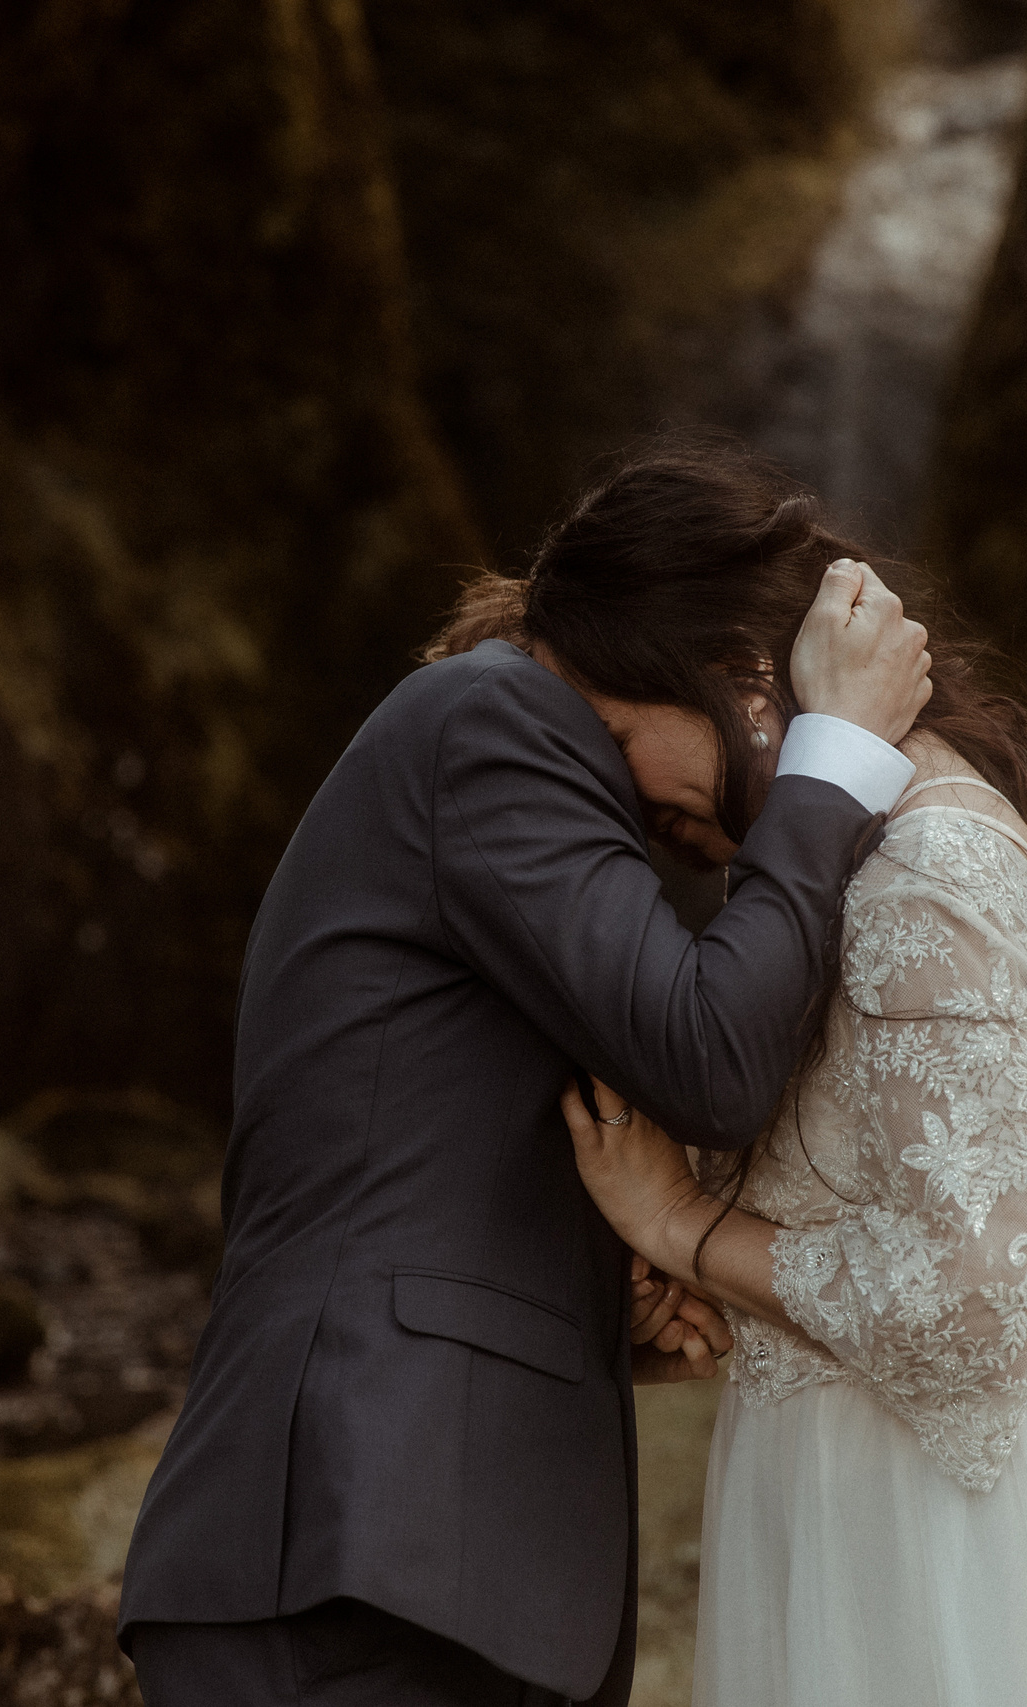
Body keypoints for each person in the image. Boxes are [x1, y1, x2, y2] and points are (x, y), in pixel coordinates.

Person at [117, 439, 935, 1706]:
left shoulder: (499, 753)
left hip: (414, 1566)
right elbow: (710, 1059)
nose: (729, 830)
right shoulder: (493, 721)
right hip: (354, 1562)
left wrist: (585, 1303)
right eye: (776, 731)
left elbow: (427, 1134)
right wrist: (837, 759)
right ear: (730, 669)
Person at [519, 439, 1027, 1705]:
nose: (613, 790)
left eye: (614, 733)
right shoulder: (853, 849)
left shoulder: (926, 873)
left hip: (949, 1541)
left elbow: (974, 1310)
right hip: (854, 1495)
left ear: (739, 675)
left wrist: (684, 1224)